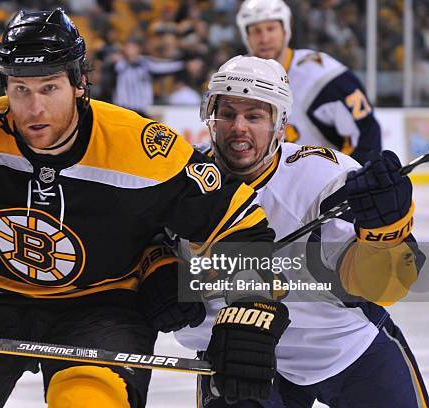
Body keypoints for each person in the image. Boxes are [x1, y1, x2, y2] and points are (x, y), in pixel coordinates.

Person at [0, 9, 289, 408]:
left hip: (103, 307)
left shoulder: (142, 149)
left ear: (79, 83)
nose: (35, 108)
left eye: (50, 87)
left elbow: (240, 227)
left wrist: (249, 310)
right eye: (20, 89)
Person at [174, 55, 427, 407]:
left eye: (255, 116)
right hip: (241, 352)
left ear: (280, 125)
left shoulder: (323, 178)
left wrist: (387, 232)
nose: (238, 127)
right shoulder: (177, 182)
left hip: (344, 345)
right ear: (210, 120)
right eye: (227, 114)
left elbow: (382, 288)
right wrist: (162, 277)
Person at [235, 0, 381, 164]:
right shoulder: (237, 78)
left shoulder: (322, 76)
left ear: (285, 30)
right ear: (246, 35)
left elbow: (365, 133)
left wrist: (353, 181)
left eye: (271, 28)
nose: (264, 38)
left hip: (324, 183)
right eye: (256, 31)